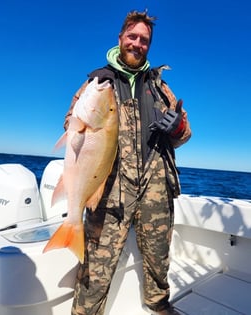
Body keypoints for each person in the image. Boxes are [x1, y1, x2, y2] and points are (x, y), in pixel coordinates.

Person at [64, 10, 191, 315]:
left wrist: (176, 128)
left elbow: (185, 134)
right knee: (97, 263)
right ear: (120, 38)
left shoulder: (161, 88)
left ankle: (159, 305)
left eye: (144, 40)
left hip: (155, 188)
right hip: (109, 189)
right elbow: (71, 123)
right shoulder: (97, 83)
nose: (137, 43)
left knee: (159, 256)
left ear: (149, 45)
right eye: (132, 37)